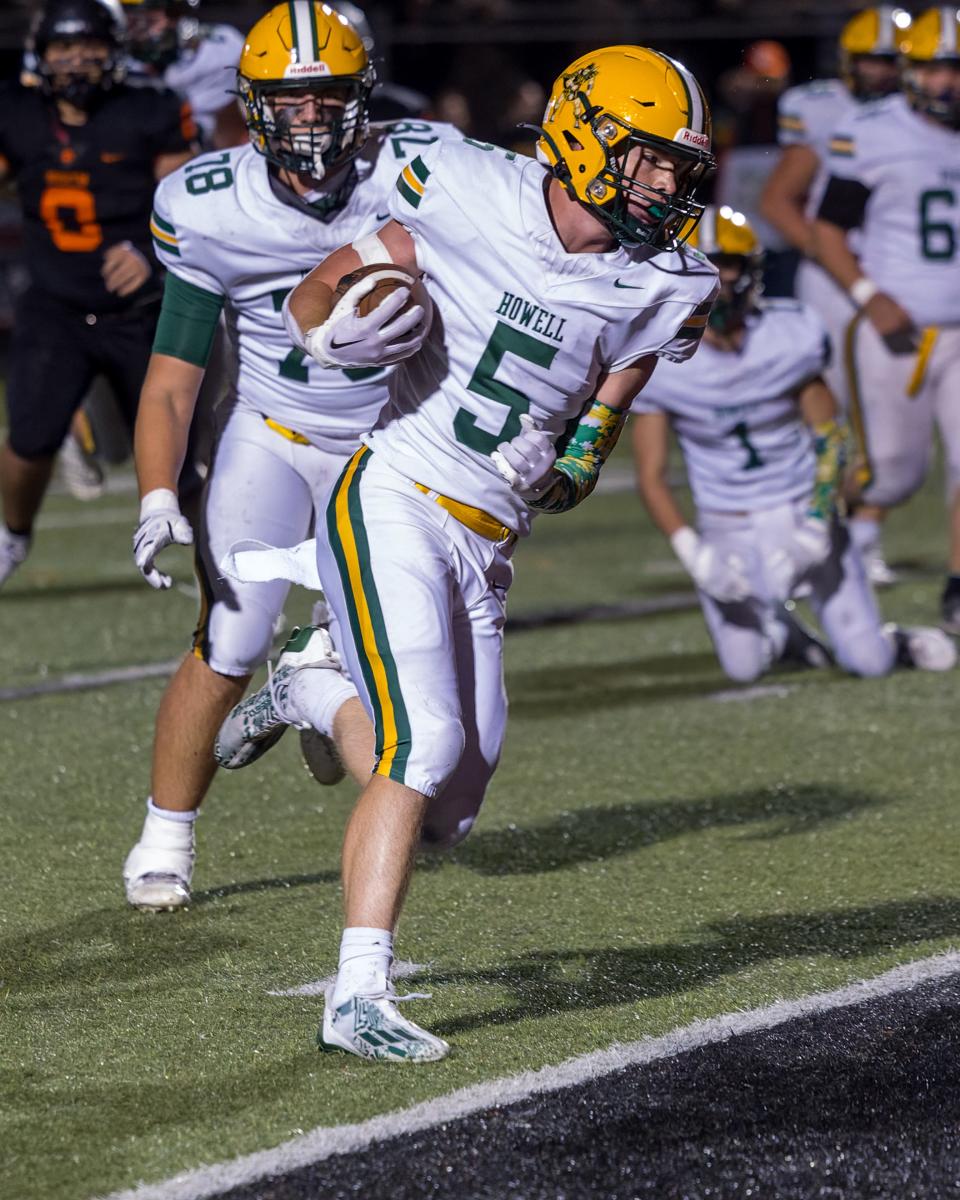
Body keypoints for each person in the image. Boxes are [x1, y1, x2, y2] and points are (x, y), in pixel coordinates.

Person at [221, 46, 719, 1060]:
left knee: (448, 811)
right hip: (397, 494)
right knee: (424, 744)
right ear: (583, 138)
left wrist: (575, 464)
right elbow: (317, 296)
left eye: (679, 167)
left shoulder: (666, 280)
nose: (668, 185)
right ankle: (357, 995)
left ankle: (313, 688)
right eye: (651, 161)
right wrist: (334, 331)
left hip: (490, 543)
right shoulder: (460, 184)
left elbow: (609, 398)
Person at [121, 3, 459, 913]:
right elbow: (172, 377)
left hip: (396, 449)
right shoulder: (208, 205)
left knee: (426, 692)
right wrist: (158, 493)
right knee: (229, 636)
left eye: (326, 98)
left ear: (362, 96)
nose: (308, 118)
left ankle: (312, 685)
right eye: (287, 100)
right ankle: (167, 833)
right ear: (252, 103)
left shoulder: (423, 170)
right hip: (274, 435)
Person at [632, 205, 955, 683]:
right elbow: (651, 476)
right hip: (728, 523)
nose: (718, 277)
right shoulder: (662, 358)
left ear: (751, 271)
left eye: (729, 263)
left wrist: (817, 525)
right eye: (704, 262)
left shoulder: (787, 335)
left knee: (869, 663)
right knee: (743, 668)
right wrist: (696, 555)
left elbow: (830, 438)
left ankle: (896, 642)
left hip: (801, 504)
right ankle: (785, 636)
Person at [0, 0, 196, 588]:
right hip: (55, 305)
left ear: (115, 51)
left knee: (188, 453)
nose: (77, 59)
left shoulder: (149, 109)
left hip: (141, 311)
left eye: (90, 45)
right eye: (63, 48)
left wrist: (146, 249)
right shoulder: (16, 111)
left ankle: (222, 552)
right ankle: (11, 537)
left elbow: (189, 201)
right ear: (42, 54)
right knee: (29, 439)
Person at [812, 6, 960, 633]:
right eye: (932, 69)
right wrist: (869, 293)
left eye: (955, 69)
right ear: (909, 71)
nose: (946, 83)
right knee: (890, 474)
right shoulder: (870, 131)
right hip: (893, 329)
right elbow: (827, 230)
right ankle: (814, 536)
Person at [761, 6, 906, 587]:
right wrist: (835, 256)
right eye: (872, 58)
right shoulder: (823, 111)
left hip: (897, 280)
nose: (881, 71)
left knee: (891, 417)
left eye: (892, 60)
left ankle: (861, 535)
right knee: (837, 417)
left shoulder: (922, 119)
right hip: (840, 284)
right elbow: (779, 201)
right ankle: (821, 532)